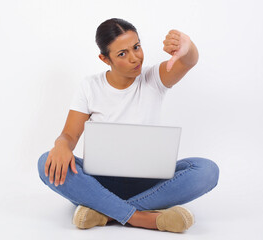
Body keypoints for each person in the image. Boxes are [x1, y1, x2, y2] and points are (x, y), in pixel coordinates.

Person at [37, 18, 219, 233]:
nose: (135, 58)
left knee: (207, 170)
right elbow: (69, 134)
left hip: (149, 182)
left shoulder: (153, 78)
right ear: (105, 59)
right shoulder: (90, 86)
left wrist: (187, 47)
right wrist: (61, 144)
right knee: (45, 162)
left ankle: (104, 212)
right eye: (122, 54)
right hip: (99, 181)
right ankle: (143, 218)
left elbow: (188, 61)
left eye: (136, 47)